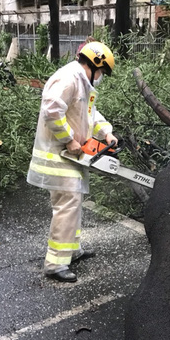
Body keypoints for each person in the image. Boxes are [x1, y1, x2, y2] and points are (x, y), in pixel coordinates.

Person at [27, 41, 117, 281]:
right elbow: (51, 110)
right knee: (67, 206)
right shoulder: (68, 78)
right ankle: (55, 264)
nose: (101, 77)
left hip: (68, 156)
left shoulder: (82, 83)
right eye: (101, 72)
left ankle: (70, 251)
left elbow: (90, 115)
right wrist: (68, 140)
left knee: (73, 203)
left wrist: (106, 133)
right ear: (95, 64)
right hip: (57, 154)